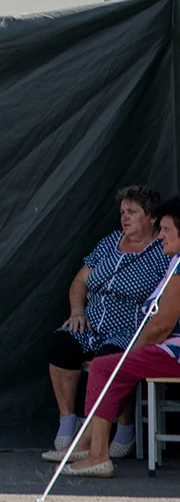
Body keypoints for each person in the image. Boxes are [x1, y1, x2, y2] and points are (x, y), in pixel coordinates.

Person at [52, 196, 180, 478]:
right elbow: (81, 279)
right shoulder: (171, 260)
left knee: (105, 364)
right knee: (70, 346)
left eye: (167, 230)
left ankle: (97, 451)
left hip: (170, 349)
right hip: (141, 338)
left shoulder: (175, 266)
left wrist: (132, 350)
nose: (162, 235)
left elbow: (160, 326)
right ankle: (84, 441)